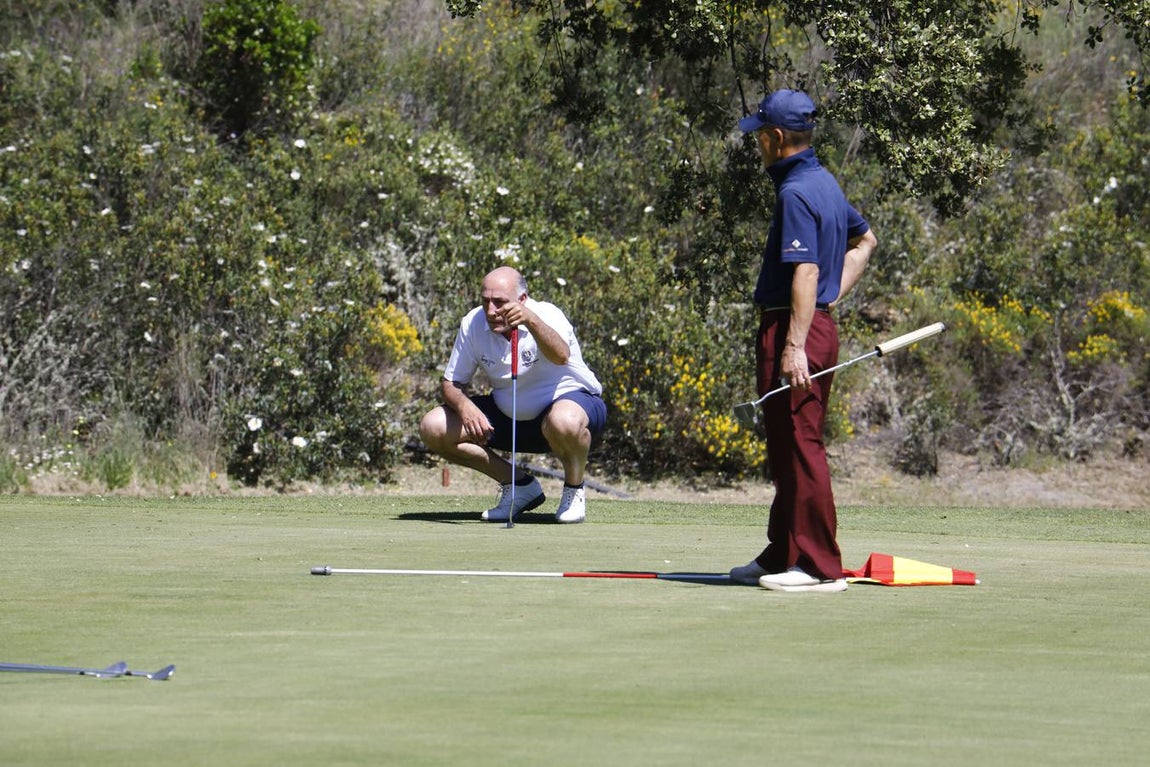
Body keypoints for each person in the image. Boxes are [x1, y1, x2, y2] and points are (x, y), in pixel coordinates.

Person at [728, 89, 879, 592]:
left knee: (801, 442)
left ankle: (818, 566)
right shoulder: (823, 183)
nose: (758, 146)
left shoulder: (796, 191)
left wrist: (795, 342)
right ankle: (784, 552)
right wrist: (832, 296)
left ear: (775, 138)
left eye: (760, 137)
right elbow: (866, 240)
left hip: (795, 329)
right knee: (786, 442)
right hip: (810, 322)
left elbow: (807, 269)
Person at [419, 266, 607, 523]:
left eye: (500, 303)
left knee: (563, 421)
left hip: (571, 410)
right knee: (433, 426)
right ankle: (519, 486)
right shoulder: (473, 323)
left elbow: (561, 356)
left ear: (522, 300)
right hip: (512, 417)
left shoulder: (547, 314)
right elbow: (451, 382)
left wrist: (531, 321)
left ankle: (574, 490)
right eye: (486, 302)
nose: (491, 311)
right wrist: (465, 407)